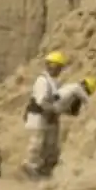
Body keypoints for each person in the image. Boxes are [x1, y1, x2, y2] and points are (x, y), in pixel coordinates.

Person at [23, 51, 68, 179]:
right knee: (36, 143)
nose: (58, 69)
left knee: (46, 144)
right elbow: (41, 101)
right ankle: (29, 167)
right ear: (49, 65)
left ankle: (40, 167)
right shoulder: (42, 81)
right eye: (56, 66)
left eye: (60, 67)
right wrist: (54, 109)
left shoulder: (53, 82)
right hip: (37, 116)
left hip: (45, 118)